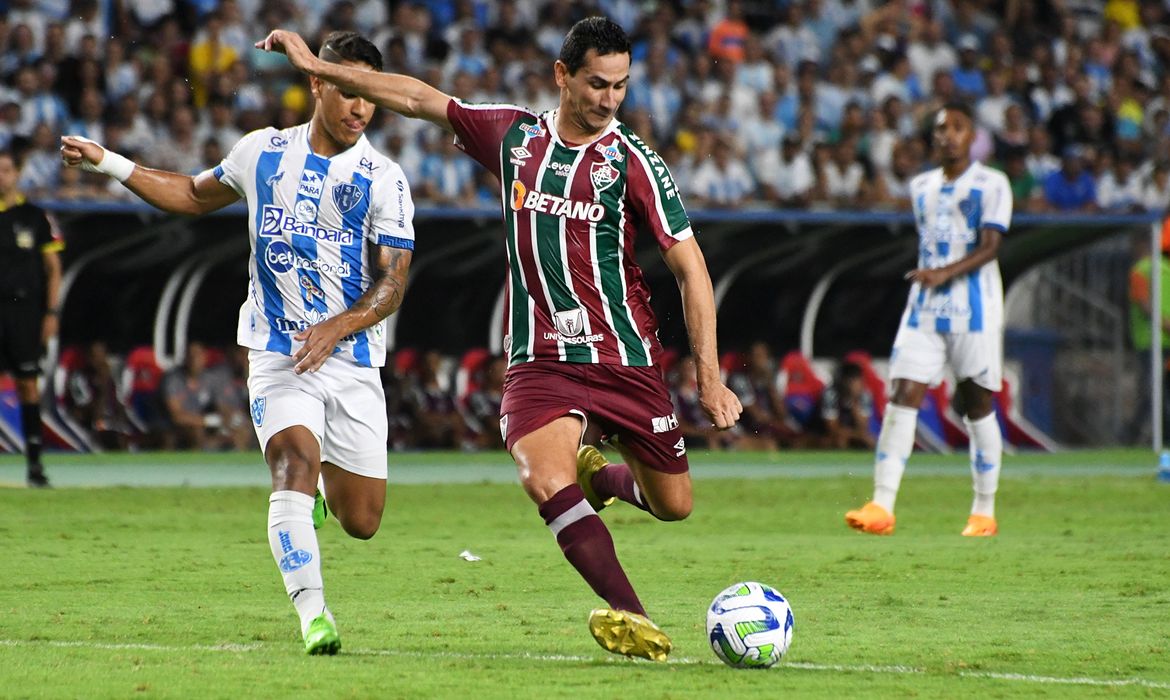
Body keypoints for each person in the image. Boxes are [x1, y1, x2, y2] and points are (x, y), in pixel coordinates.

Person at [257, 17, 742, 661]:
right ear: (562, 76)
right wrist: (318, 69)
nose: (608, 101)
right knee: (543, 479)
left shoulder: (635, 162)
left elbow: (691, 269)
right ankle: (635, 615)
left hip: (626, 358)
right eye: (597, 84)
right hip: (539, 360)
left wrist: (708, 375)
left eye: (621, 88)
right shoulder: (515, 138)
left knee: (674, 504)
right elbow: (416, 97)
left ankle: (600, 478)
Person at [61, 31, 415, 656]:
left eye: (368, 97)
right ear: (316, 84)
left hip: (353, 357)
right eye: (346, 91)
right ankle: (314, 617)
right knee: (293, 466)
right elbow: (194, 196)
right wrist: (107, 162)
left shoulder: (384, 178)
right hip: (277, 350)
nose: (359, 108)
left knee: (362, 520)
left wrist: (340, 325)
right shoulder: (262, 153)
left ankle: (320, 502)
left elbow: (392, 283)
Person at [845, 102, 1011, 538]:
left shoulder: (993, 184)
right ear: (932, 137)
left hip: (974, 312)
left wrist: (943, 273)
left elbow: (991, 246)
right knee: (902, 395)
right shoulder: (921, 186)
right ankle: (882, 505)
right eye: (941, 128)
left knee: (977, 405)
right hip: (924, 309)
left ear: (971, 134)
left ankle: (983, 511)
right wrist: (931, 277)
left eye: (957, 127)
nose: (948, 135)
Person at [0, 149, 62, 488]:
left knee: (27, 384)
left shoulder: (36, 217)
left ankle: (35, 466)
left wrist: (51, 312)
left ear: (17, 173)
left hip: (24, 312)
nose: (1, 176)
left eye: (6, 170)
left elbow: (53, 270)